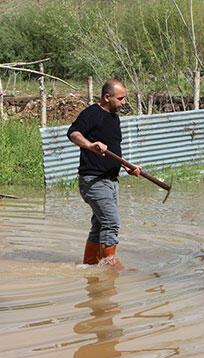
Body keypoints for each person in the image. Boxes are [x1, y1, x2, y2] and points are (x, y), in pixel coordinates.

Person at [67, 79, 141, 266]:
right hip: (93, 180)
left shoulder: (114, 118)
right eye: (121, 98)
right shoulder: (92, 113)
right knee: (111, 221)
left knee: (99, 225)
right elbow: (73, 133)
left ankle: (89, 266)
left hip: (111, 181)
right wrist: (90, 145)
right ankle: (110, 266)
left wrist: (126, 166)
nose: (124, 102)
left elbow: (114, 150)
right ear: (107, 97)